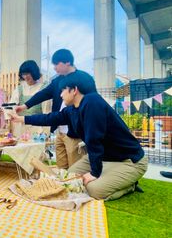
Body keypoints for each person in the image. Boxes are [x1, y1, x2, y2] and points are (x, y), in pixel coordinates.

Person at [11, 71, 148, 200]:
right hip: (105, 158)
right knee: (69, 179)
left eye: (63, 90)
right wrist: (21, 119)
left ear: (74, 90)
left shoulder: (92, 102)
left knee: (93, 189)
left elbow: (94, 140)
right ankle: (110, 176)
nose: (60, 95)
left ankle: (130, 185)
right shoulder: (72, 109)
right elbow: (51, 118)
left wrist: (95, 173)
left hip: (129, 161)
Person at [15, 49, 97, 169]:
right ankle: (62, 187)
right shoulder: (57, 81)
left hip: (75, 133)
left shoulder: (85, 79)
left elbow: (92, 104)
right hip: (60, 131)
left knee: (75, 169)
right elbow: (44, 93)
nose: (54, 67)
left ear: (67, 62)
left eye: (56, 64)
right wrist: (25, 105)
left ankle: (77, 186)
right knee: (61, 169)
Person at [10, 60, 51, 137]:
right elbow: (12, 107)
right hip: (20, 130)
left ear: (34, 72)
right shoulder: (19, 89)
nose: (25, 76)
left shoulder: (43, 88)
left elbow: (47, 112)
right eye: (23, 74)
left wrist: (45, 133)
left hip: (37, 130)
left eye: (27, 73)